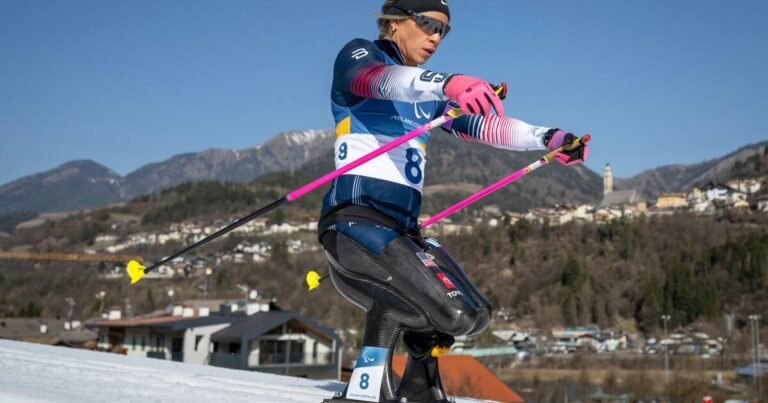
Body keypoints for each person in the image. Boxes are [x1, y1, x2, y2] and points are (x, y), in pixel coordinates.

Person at [317, 0, 589, 401]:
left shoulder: (425, 94)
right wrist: (449, 82)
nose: (435, 37)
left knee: (469, 313)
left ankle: (420, 386)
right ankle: (366, 388)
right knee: (430, 307)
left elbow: (483, 125)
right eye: (427, 24)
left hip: (401, 231)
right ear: (395, 21)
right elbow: (380, 80)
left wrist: (548, 138)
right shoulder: (362, 57)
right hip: (354, 223)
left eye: (443, 30)